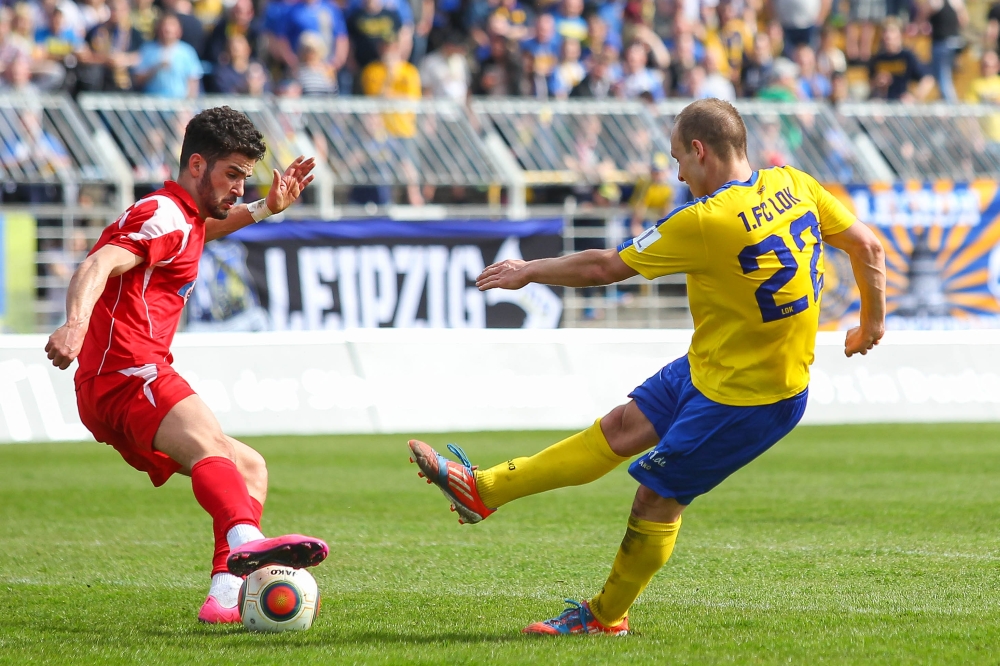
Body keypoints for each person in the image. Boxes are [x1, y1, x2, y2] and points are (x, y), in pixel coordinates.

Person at [408, 98, 886, 636]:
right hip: (710, 365)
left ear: (700, 151)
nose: (678, 173)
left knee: (656, 498)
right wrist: (871, 324)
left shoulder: (705, 220)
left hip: (749, 399)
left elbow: (605, 266)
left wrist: (529, 270)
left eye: (679, 158)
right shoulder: (795, 183)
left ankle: (605, 617)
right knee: (620, 426)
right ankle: (483, 491)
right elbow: (866, 245)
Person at [44, 107, 328, 625]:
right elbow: (99, 262)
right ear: (197, 165)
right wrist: (75, 324)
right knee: (210, 446)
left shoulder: (185, 218)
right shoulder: (163, 211)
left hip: (127, 377)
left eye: (245, 176)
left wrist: (268, 206)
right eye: (233, 175)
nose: (240, 187)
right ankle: (249, 542)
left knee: (249, 467)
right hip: (127, 373)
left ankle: (223, 597)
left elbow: (202, 233)